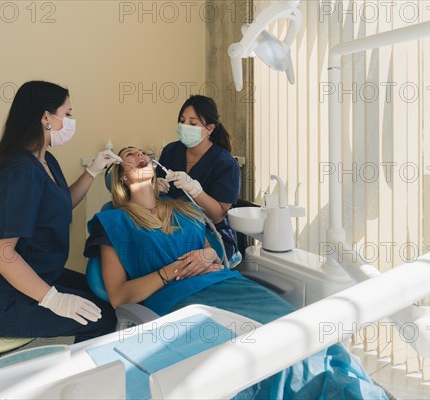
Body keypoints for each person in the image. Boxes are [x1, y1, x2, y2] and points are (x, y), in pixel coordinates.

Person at [84, 146, 388, 399]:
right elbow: (119, 296)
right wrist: (171, 271)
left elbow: (213, 253)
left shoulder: (183, 208)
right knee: (269, 359)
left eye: (143, 152)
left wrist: (210, 253)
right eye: (129, 154)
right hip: (183, 305)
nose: (140, 154)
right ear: (120, 176)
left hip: (229, 285)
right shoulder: (113, 222)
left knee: (307, 336)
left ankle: (357, 389)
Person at [0, 81, 118, 343]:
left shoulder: (45, 160)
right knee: (103, 318)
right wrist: (53, 299)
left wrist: (92, 171)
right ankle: (83, 379)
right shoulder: (18, 173)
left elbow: (60, 204)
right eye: (67, 113)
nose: (71, 121)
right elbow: (0, 255)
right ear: (46, 118)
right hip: (3, 298)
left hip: (39, 271)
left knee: (108, 298)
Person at [157, 95, 241, 263]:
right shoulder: (170, 151)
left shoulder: (226, 164)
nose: (184, 126)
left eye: (192, 124)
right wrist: (155, 186)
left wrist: (194, 189)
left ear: (209, 129)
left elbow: (217, 216)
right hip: (172, 226)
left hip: (210, 232)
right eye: (182, 121)